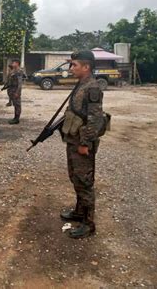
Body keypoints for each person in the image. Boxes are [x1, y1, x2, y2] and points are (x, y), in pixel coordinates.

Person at [60, 51, 105, 239]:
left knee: (85, 182)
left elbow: (94, 119)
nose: (71, 69)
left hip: (82, 143)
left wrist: (85, 143)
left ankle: (88, 223)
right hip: (73, 140)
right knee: (75, 178)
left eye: (74, 65)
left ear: (86, 67)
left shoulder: (92, 87)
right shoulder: (81, 84)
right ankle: (79, 211)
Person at [6, 59, 23, 124]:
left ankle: (17, 119)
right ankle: (15, 118)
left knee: (17, 105)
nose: (12, 64)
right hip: (12, 90)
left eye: (13, 63)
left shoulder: (19, 71)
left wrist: (17, 92)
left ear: (17, 63)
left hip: (16, 90)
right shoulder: (13, 71)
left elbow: (20, 83)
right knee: (15, 105)